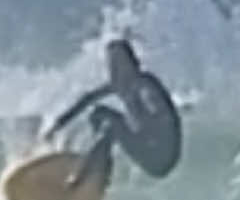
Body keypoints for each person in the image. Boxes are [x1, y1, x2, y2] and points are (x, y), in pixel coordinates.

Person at [45, 38, 182, 189]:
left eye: (119, 64)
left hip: (160, 156)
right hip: (146, 145)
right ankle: (98, 163)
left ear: (133, 64)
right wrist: (57, 126)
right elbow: (86, 101)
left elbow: (162, 116)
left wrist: (142, 127)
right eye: (112, 65)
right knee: (98, 113)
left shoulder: (143, 84)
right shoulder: (119, 84)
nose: (114, 70)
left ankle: (80, 180)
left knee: (111, 127)